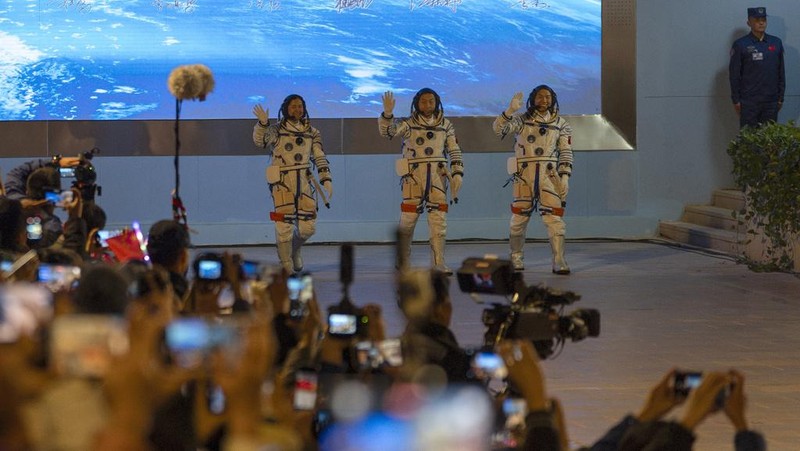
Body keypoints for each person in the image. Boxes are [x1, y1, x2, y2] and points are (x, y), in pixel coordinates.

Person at [379, 88, 464, 274]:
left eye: (431, 101)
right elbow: (388, 133)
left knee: (439, 224)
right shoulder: (408, 124)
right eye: (424, 101)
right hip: (413, 178)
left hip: (437, 177)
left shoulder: (446, 125)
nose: (428, 105)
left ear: (437, 102)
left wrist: (458, 172)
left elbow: (454, 149)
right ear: (417, 103)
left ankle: (438, 262)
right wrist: (387, 114)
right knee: (407, 222)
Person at [494, 86, 573, 274]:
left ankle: (558, 259)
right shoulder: (521, 121)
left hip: (550, 176)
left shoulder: (561, 124)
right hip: (524, 176)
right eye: (540, 97)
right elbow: (498, 129)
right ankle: (516, 257)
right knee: (519, 219)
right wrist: (510, 111)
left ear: (553, 99)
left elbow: (566, 152)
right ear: (533, 99)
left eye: (547, 97)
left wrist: (565, 176)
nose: (544, 100)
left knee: (554, 218)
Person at [253, 95, 333, 274]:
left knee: (308, 228)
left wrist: (325, 177)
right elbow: (261, 141)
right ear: (285, 108)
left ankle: (294, 249)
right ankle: (285, 263)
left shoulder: (312, 132)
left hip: (304, 181)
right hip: (282, 181)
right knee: (284, 226)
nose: (297, 109)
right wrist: (263, 124)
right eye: (293, 106)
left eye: (300, 106)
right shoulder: (276, 130)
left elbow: (318, 154)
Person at [729, 7, 785, 129]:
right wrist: (736, 100)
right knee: (748, 141)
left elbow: (781, 71)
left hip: (771, 101)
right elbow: (734, 74)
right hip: (749, 102)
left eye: (763, 19)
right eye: (757, 19)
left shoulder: (776, 43)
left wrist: (781, 97)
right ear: (749, 22)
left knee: (769, 142)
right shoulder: (740, 45)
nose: (761, 22)